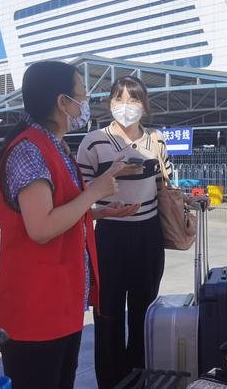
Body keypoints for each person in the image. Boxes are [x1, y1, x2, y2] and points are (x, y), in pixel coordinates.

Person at [0, 61, 139, 389]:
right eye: (81, 96)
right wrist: (95, 192)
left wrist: (100, 213)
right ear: (62, 102)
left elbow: (58, 210)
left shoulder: (55, 146)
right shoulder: (30, 151)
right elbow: (41, 227)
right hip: (35, 312)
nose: (85, 104)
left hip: (59, 307)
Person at [77, 76, 178, 388]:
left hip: (148, 234)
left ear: (144, 106)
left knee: (143, 312)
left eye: (133, 99)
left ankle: (138, 378)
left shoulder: (156, 142)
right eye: (118, 98)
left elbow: (164, 185)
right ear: (109, 103)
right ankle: (110, 381)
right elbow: (80, 194)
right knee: (107, 314)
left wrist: (185, 202)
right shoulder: (93, 142)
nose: (125, 106)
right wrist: (112, 174)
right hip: (109, 234)